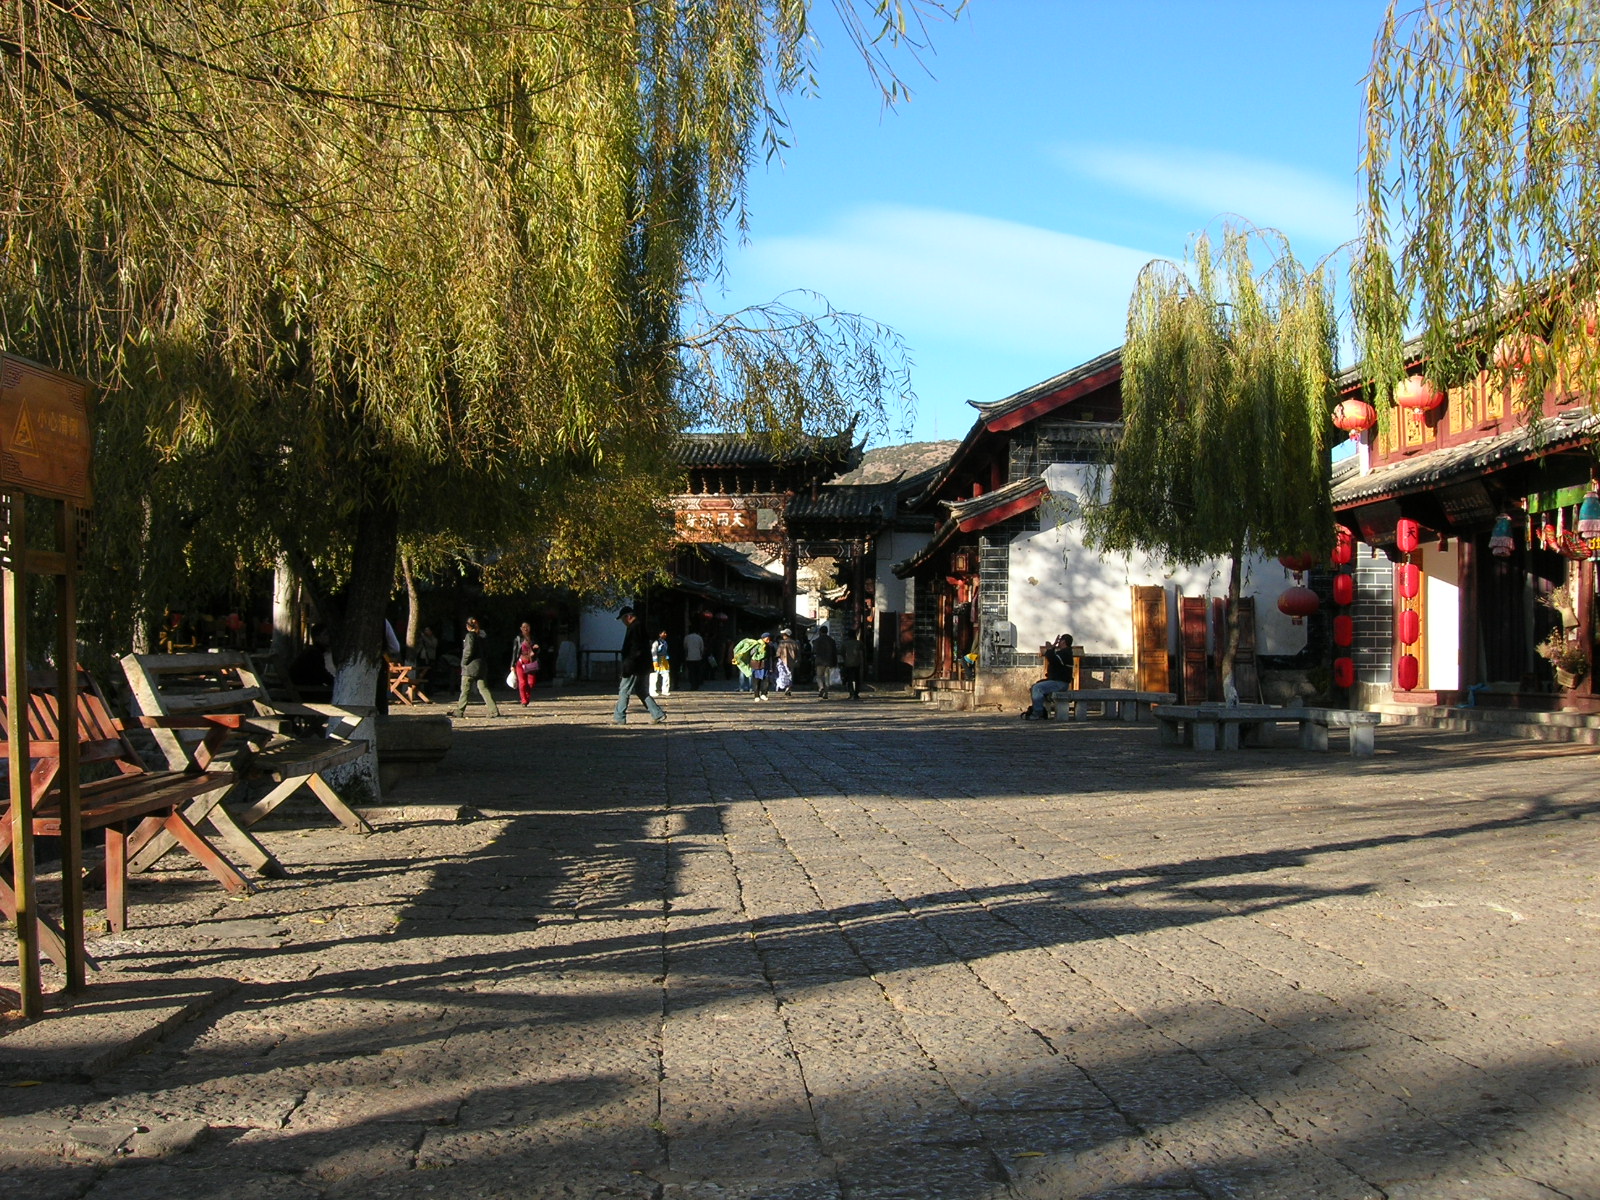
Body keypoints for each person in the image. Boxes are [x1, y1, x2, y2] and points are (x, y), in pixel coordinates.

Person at [613, 607, 666, 725]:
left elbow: (634, 649)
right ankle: (657, 713)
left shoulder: (634, 628)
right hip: (642, 665)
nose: (623, 622)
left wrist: (628, 666)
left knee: (624, 690)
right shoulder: (640, 626)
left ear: (628, 616)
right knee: (641, 690)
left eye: (623, 619)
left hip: (634, 666)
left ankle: (619, 717)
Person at [450, 616, 500, 718]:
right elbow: (486, 651)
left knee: (465, 690)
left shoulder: (470, 636)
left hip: (470, 667)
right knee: (484, 689)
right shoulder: (481, 636)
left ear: (467, 626)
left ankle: (459, 711)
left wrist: (463, 663)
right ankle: (494, 710)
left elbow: (468, 651)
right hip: (480, 666)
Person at [1026, 633, 1076, 720]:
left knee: (1037, 688)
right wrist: (1053, 646)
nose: (1058, 643)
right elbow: (1053, 656)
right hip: (1056, 681)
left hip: (1060, 683)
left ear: (1063, 642)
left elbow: (1052, 658)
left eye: (1060, 641)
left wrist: (1050, 648)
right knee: (1035, 686)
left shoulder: (1065, 653)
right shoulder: (1063, 653)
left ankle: (1038, 713)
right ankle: (1041, 708)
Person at [511, 621, 540, 705]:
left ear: (530, 628)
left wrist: (536, 649)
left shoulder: (533, 638)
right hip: (520, 662)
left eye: (527, 627)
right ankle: (524, 700)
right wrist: (512, 665)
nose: (525, 629)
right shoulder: (518, 638)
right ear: (521, 628)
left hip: (531, 662)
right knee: (522, 682)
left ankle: (527, 696)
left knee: (531, 683)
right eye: (523, 627)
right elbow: (514, 652)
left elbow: (538, 650)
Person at [811, 624, 838, 699]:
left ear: (820, 631)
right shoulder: (831, 640)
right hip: (829, 661)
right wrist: (835, 662)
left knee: (819, 677)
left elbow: (814, 651)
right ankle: (826, 693)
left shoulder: (817, 640)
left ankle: (821, 687)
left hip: (819, 661)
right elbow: (834, 652)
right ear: (827, 631)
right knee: (827, 678)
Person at [840, 628, 864, 700]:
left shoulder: (845, 644)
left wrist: (844, 660)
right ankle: (856, 693)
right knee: (857, 679)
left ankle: (851, 693)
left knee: (849, 679)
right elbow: (861, 653)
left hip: (848, 663)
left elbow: (842, 653)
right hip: (857, 662)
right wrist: (862, 662)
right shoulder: (859, 643)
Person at [774, 628, 800, 696]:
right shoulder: (794, 642)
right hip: (792, 661)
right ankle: (789, 687)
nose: (782, 636)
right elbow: (798, 652)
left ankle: (785, 686)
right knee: (790, 674)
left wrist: (776, 657)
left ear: (786, 635)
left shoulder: (782, 642)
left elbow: (778, 652)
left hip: (783, 661)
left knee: (783, 674)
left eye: (783, 634)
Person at [750, 632, 773, 701]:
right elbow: (751, 653)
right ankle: (756, 695)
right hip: (756, 665)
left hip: (765, 665)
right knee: (756, 680)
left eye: (769, 638)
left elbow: (771, 656)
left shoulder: (769, 646)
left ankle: (764, 694)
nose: (768, 639)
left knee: (766, 680)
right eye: (767, 638)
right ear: (763, 638)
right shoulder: (757, 645)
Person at [649, 630, 672, 697]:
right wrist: (655, 660)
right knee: (654, 676)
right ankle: (652, 691)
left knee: (666, 675)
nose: (665, 634)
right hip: (657, 660)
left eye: (665, 633)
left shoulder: (665, 642)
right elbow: (654, 652)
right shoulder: (656, 642)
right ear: (659, 634)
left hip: (664, 660)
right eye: (663, 633)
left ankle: (665, 690)